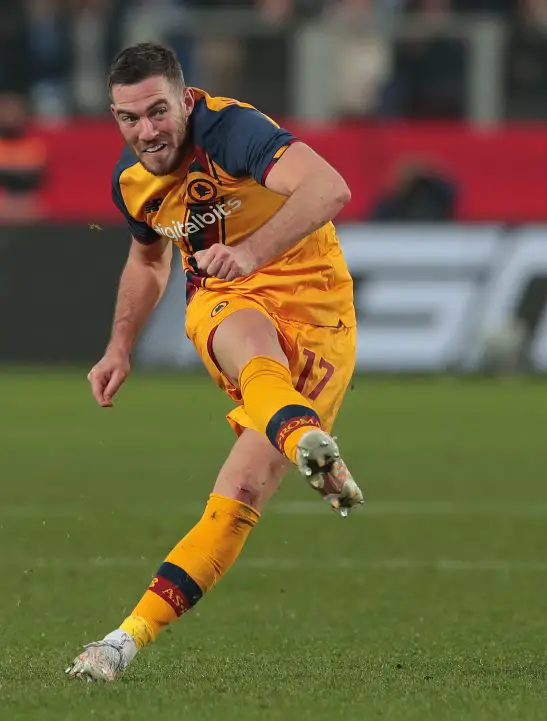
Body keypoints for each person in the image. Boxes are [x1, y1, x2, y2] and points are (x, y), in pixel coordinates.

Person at [66, 41, 364, 682]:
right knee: (243, 331)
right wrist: (120, 345)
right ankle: (123, 642)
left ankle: (299, 437)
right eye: (128, 118)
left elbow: (329, 187)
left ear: (185, 97)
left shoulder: (232, 129)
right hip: (227, 298)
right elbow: (149, 261)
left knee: (242, 494)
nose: (146, 132)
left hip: (320, 310)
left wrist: (253, 250)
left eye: (157, 112)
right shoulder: (132, 183)